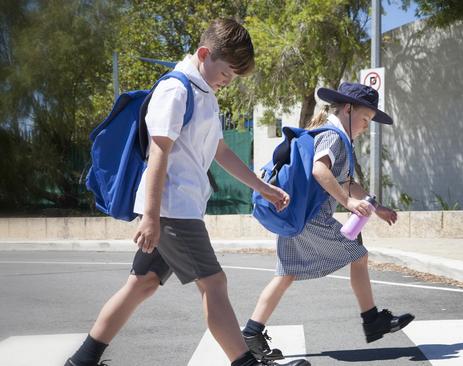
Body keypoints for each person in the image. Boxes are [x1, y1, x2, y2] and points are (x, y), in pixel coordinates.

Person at [66, 19, 309, 366]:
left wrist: (263, 187)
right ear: (205, 54)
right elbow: (158, 153)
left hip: (179, 207)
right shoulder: (176, 90)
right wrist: (150, 217)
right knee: (214, 283)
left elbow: (219, 151)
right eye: (227, 72)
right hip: (171, 209)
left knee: (142, 284)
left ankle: (81, 361)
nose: (229, 80)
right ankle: (245, 362)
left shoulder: (204, 93)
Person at [242, 82, 414, 361]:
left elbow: (347, 182)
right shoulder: (334, 136)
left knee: (285, 275)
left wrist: (376, 206)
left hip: (297, 217)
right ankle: (372, 320)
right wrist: (347, 203)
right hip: (312, 219)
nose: (365, 126)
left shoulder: (334, 136)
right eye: (364, 118)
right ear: (347, 109)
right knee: (359, 255)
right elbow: (319, 170)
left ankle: (251, 333)